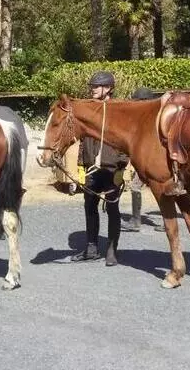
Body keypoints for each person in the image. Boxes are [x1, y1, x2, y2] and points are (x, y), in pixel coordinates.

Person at [71, 71, 128, 266]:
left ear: (108, 88)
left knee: (112, 208)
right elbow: (82, 139)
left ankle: (112, 249)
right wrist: (80, 164)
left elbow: (126, 140)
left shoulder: (118, 111)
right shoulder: (90, 110)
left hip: (112, 169)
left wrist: (123, 165)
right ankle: (91, 247)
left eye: (96, 86)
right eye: (92, 86)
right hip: (91, 169)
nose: (92, 89)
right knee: (89, 207)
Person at [124, 87, 156, 231]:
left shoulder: (154, 119)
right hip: (145, 161)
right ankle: (136, 220)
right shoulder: (143, 119)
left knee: (164, 190)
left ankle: (139, 221)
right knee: (135, 186)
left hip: (155, 162)